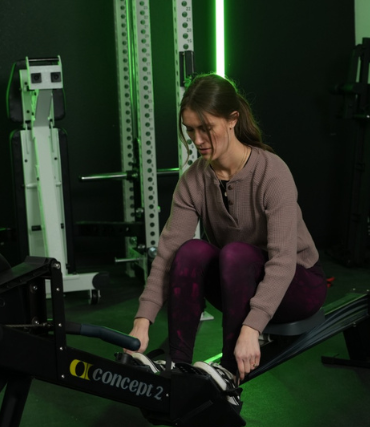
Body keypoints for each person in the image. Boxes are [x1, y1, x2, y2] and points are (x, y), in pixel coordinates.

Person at [126, 73, 326, 388]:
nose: (198, 139)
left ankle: (229, 373)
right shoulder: (193, 180)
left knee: (234, 253)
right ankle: (177, 367)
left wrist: (252, 329)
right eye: (190, 130)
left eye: (206, 128)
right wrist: (142, 321)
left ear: (232, 119)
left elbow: (284, 260)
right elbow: (167, 253)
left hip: (296, 286)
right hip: (239, 282)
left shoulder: (272, 173)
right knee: (190, 251)